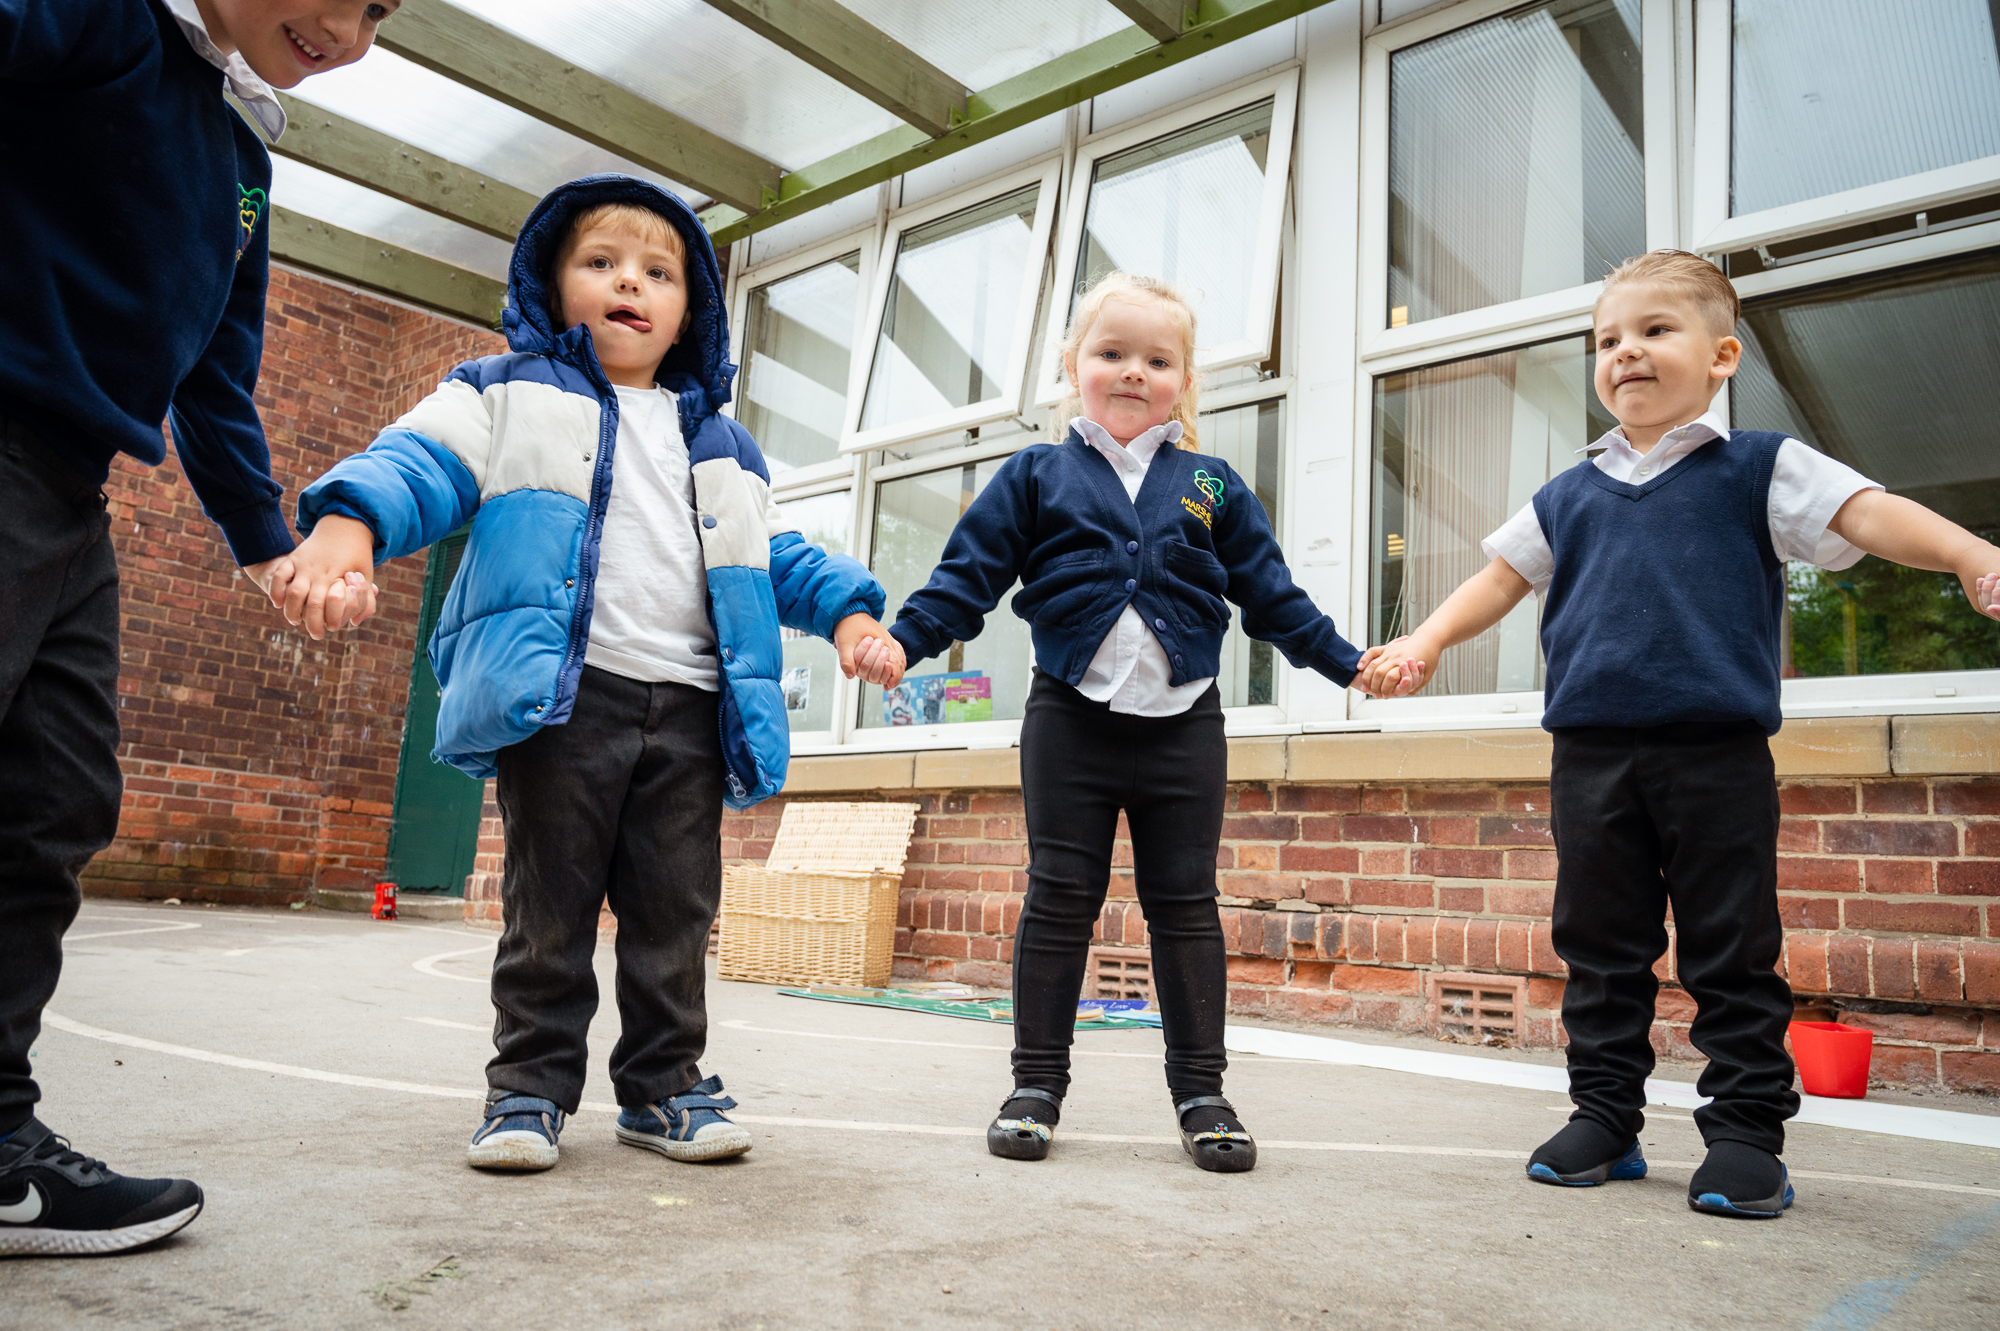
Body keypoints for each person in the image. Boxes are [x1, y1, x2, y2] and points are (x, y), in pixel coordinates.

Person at [275, 175, 906, 1172]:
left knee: (674, 913)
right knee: (550, 907)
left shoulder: (722, 443)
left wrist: (851, 613)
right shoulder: (504, 390)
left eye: (658, 271)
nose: (630, 284)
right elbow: (420, 462)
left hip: (692, 707)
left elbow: (774, 553)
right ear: (550, 279)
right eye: (601, 262)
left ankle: (662, 1088)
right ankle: (525, 1088)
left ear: (688, 309)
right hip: (565, 696)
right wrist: (349, 523)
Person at [1357, 249, 2000, 1218]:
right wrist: (1426, 638)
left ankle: (1743, 1134)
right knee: (1598, 944)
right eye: (1606, 340)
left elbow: (1865, 515)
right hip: (1590, 756)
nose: (1624, 352)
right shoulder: (1568, 493)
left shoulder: (1760, 467)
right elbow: (1498, 576)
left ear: (1720, 355)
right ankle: (1603, 1117)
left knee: (1728, 948)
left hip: (1715, 754)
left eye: (1653, 330)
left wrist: (1964, 551)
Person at [0, 0, 399, 1257]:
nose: (352, 30)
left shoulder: (242, 161)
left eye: (382, 13)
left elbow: (216, 375)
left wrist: (270, 546)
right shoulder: (98, 19)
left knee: (54, 800)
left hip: (73, 490)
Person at [864, 272, 1370, 1173]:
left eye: (1157, 359)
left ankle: (1203, 1093)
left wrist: (1349, 663)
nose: (1133, 371)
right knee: (1060, 897)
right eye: (1111, 353)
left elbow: (1273, 596)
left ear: (1184, 382)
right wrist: (906, 640)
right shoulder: (1035, 474)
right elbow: (967, 576)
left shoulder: (1210, 484)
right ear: (1073, 367)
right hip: (1071, 720)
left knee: (1186, 907)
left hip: (1185, 727)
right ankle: (1036, 1085)